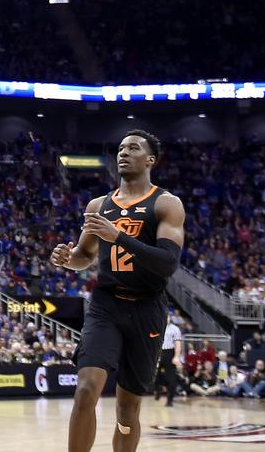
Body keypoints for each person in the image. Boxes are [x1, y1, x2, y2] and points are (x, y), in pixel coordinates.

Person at [50, 130, 185, 452]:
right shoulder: (99, 204)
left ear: (150, 159)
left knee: (127, 410)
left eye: (133, 148)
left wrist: (119, 237)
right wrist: (68, 260)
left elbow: (168, 263)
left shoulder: (166, 203)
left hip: (147, 308)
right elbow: (85, 256)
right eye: (121, 148)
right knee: (85, 390)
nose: (123, 153)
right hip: (106, 304)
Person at [155, 315, 183, 406]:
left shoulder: (175, 329)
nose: (166, 318)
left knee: (171, 379)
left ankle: (170, 400)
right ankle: (157, 389)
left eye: (168, 316)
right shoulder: (156, 326)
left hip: (169, 353)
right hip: (158, 352)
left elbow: (178, 343)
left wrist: (176, 356)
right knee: (154, 375)